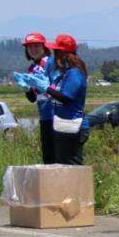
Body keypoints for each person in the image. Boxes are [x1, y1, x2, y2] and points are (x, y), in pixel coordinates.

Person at [43, 34, 89, 165]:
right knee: (62, 164)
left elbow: (66, 97)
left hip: (73, 125)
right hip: (62, 124)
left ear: (62, 53)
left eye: (56, 51)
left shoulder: (75, 73)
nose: (54, 55)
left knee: (72, 166)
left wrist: (46, 88)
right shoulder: (65, 73)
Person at [22, 32, 56, 164]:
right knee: (47, 156)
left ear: (44, 47)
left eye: (36, 46)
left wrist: (46, 87)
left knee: (55, 155)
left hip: (55, 114)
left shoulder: (50, 63)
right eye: (30, 47)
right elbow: (32, 98)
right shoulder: (32, 68)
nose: (33, 50)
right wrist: (26, 89)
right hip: (44, 115)